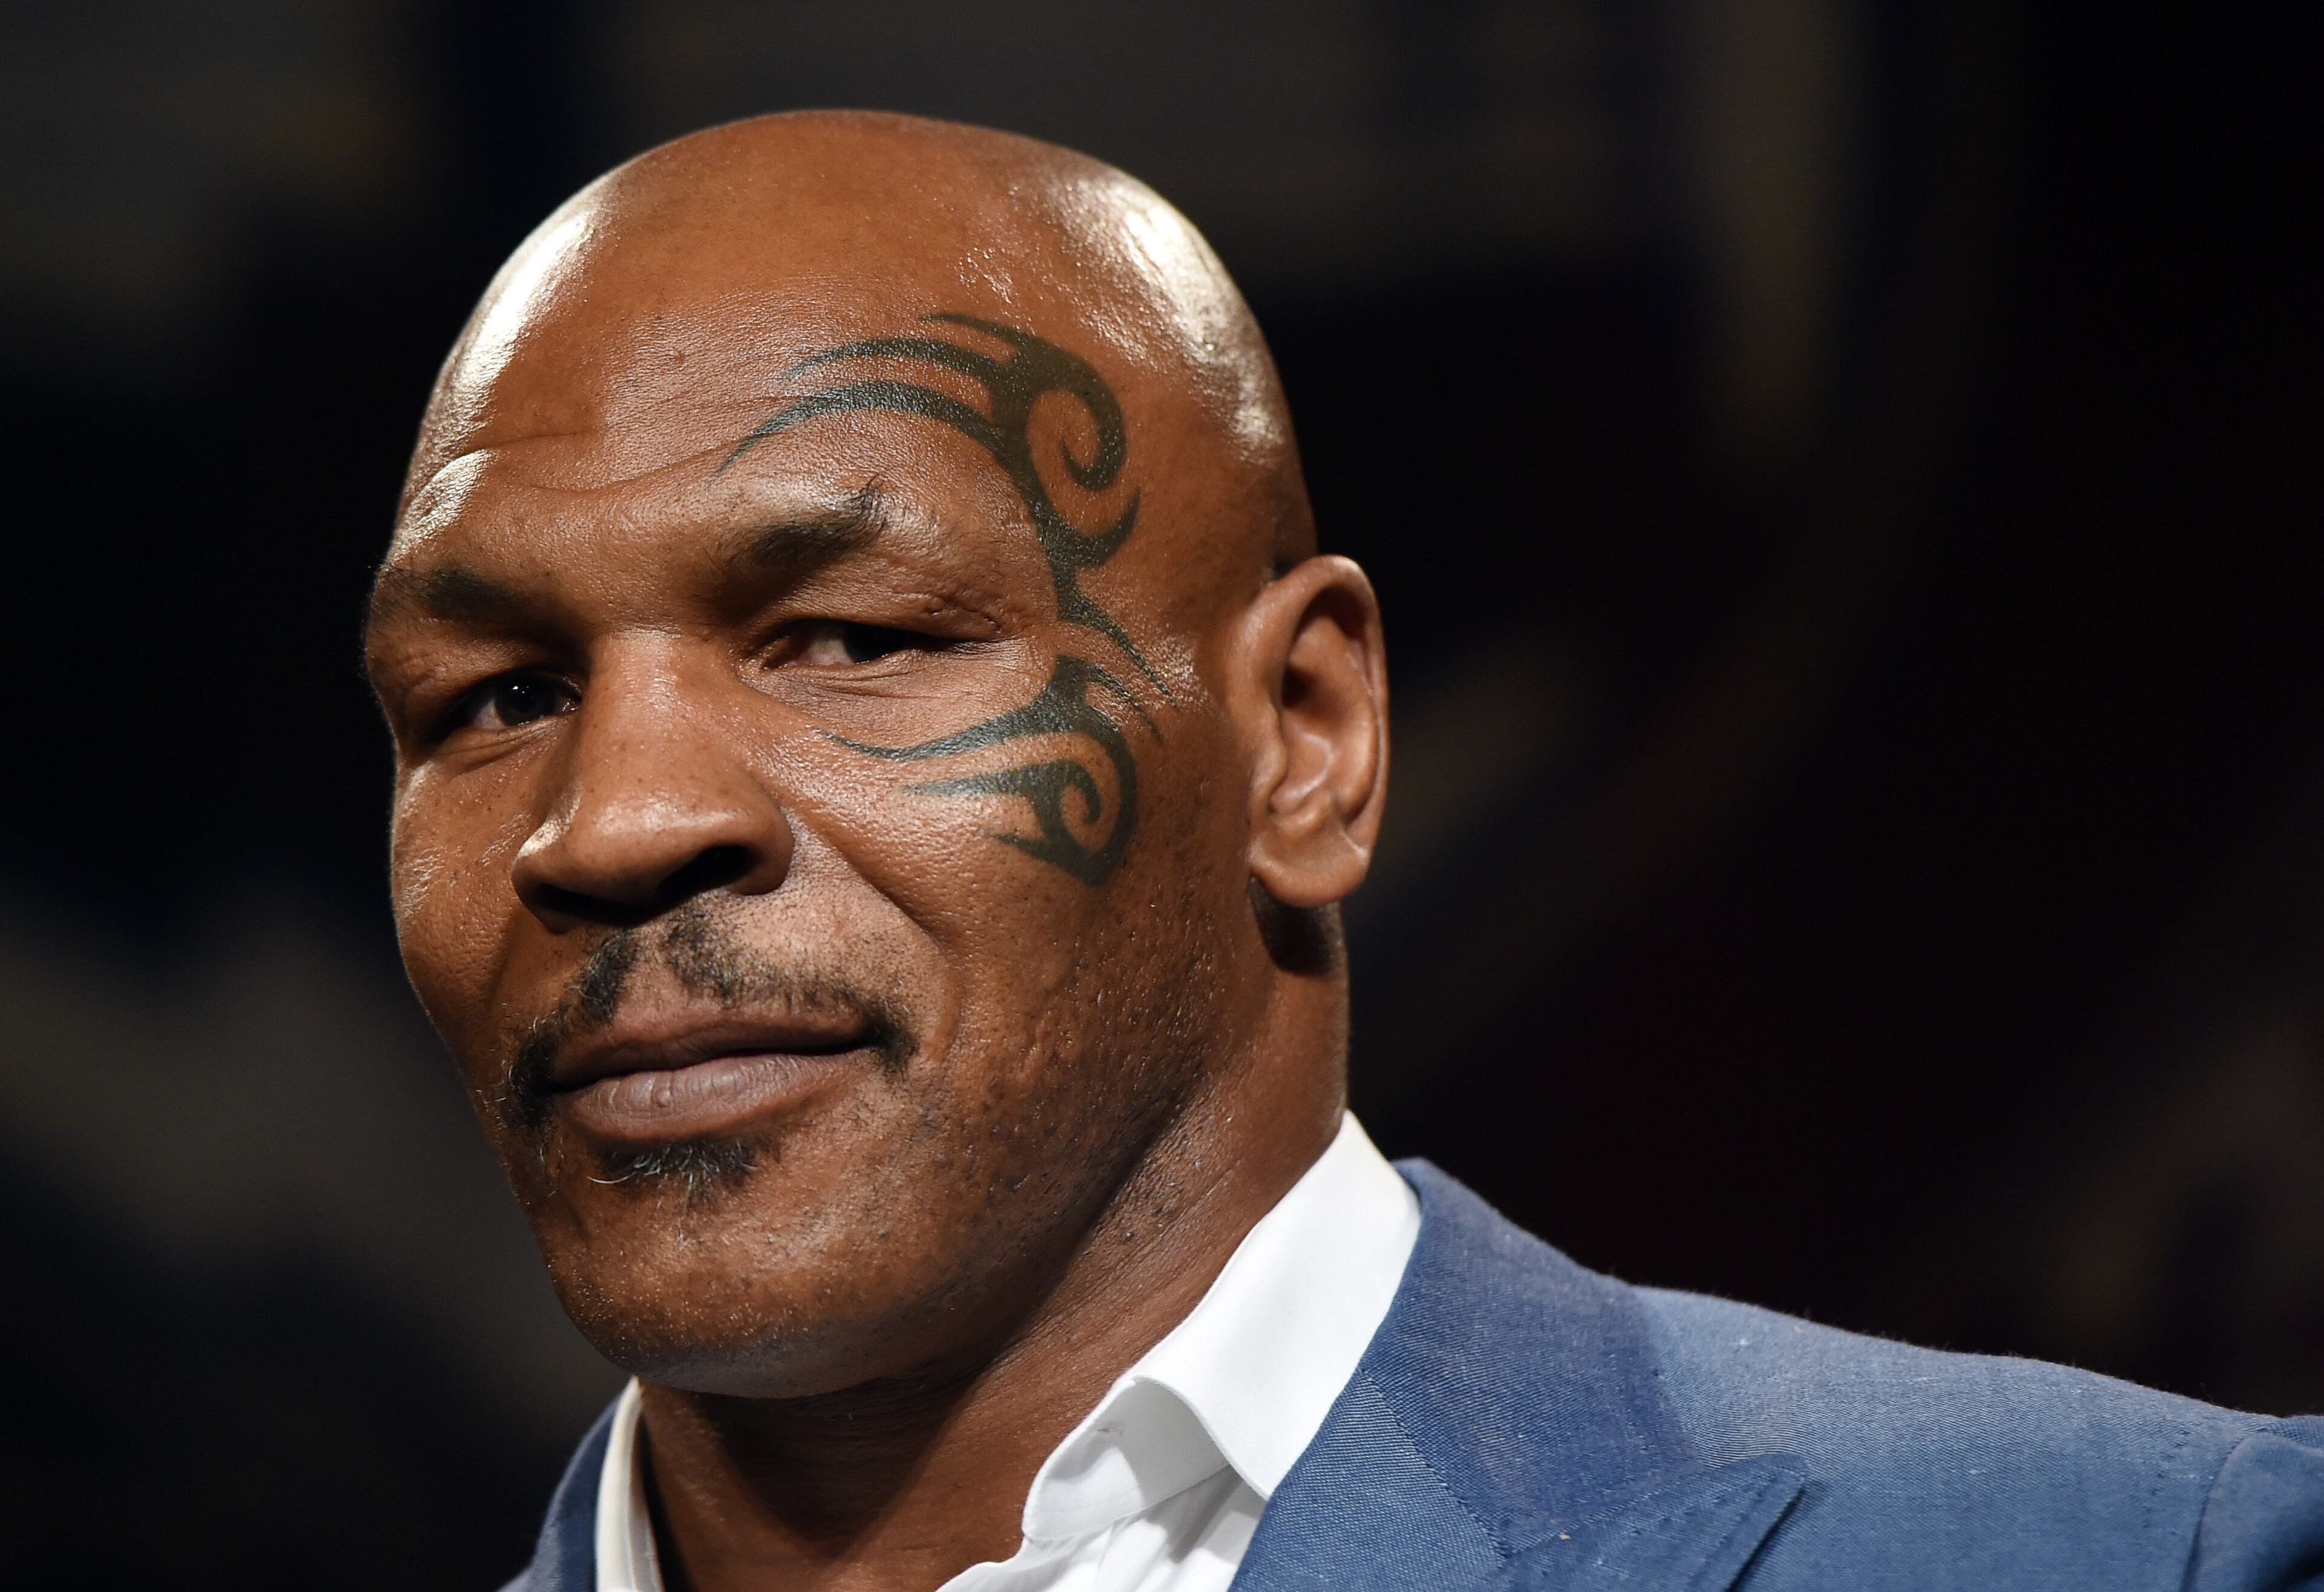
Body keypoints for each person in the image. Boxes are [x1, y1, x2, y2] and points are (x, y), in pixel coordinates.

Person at [363, 110, 2324, 1592]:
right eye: (496, 697)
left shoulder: (2144, 1556)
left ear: (1304, 741)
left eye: (853, 640)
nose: (611, 821)